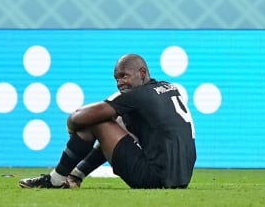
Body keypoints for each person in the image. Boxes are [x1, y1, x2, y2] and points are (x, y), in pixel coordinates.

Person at [19, 53, 196, 189]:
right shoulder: (169, 88)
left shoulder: (137, 96)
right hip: (182, 179)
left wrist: (72, 127)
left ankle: (55, 181)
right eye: (116, 78)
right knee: (117, 124)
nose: (119, 83)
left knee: (97, 122)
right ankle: (75, 177)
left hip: (155, 179)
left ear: (142, 73)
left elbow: (78, 117)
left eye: (124, 76)